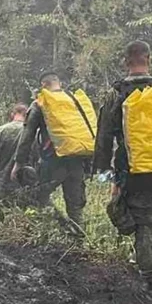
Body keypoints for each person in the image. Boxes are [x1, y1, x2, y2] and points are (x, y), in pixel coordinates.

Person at [94, 40, 152, 291]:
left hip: (135, 171)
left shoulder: (118, 92)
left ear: (126, 61)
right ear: (149, 59)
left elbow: (104, 136)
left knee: (142, 222)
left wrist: (103, 168)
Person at [11, 72, 96, 231]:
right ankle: (78, 239)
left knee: (37, 196)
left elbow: (27, 136)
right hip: (78, 161)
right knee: (75, 207)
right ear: (59, 83)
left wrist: (18, 164)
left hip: (53, 162)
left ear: (43, 86)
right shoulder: (74, 101)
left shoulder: (41, 103)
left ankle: (62, 227)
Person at [0, 103, 29, 203]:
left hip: (2, 181)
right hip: (25, 181)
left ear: (13, 114)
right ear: (27, 115)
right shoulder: (31, 132)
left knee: (3, 211)